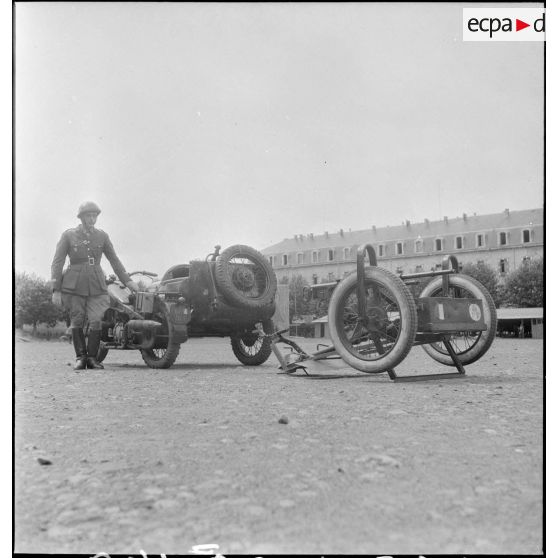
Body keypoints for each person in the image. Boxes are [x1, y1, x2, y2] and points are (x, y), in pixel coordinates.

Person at [51, 201, 139, 371]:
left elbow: (114, 260)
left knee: (96, 320)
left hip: (97, 283)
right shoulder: (68, 235)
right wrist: (56, 289)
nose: (92, 219)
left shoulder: (102, 236)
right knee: (77, 319)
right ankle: (80, 358)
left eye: (94, 216)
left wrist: (127, 281)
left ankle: (92, 358)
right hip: (74, 284)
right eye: (88, 216)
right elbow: (57, 262)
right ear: (81, 217)